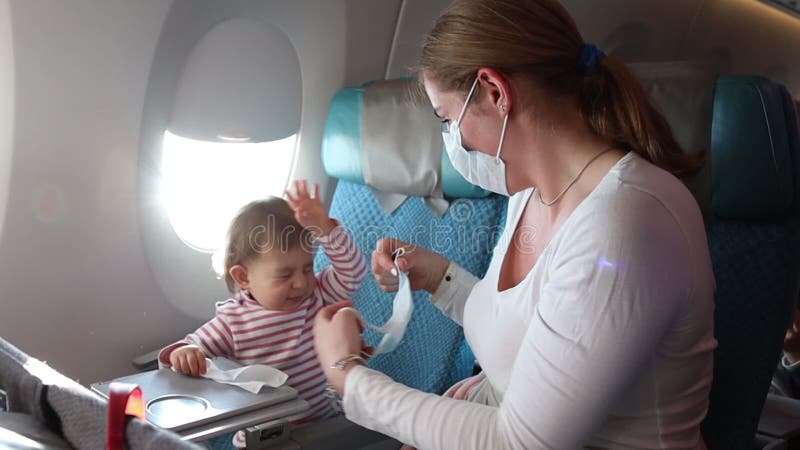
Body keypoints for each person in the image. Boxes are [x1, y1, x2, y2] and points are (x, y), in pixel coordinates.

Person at [312, 0, 717, 448]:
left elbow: (520, 443)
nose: (452, 141)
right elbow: (531, 331)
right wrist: (441, 279)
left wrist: (348, 376)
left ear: (494, 92)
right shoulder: (531, 191)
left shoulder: (624, 225)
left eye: (447, 119)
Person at [158, 180, 367, 447]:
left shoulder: (318, 295)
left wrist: (325, 229)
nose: (301, 283)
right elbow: (192, 345)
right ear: (243, 277)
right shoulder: (233, 321)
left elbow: (354, 271)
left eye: (307, 268)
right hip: (264, 437)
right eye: (285, 274)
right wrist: (184, 353)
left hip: (323, 423)